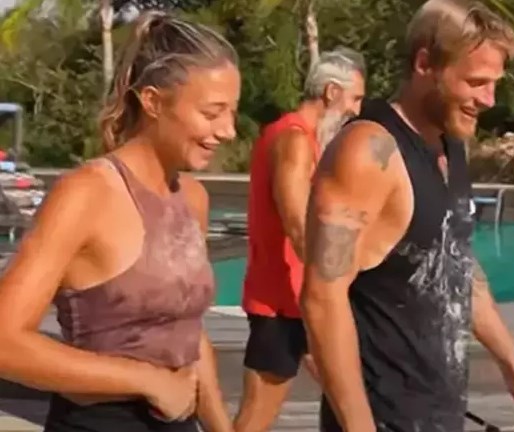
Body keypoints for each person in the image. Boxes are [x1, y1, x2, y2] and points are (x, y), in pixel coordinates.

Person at [301, 1, 514, 432]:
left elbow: (455, 263)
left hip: (438, 414)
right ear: (424, 64)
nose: (488, 99)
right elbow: (322, 299)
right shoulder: (369, 151)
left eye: (494, 84)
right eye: (475, 82)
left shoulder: (449, 145)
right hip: (383, 417)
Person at [0, 11, 239, 432]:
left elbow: (186, 332)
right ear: (153, 102)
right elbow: (5, 342)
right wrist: (147, 381)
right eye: (212, 112)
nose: (229, 131)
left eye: (232, 112)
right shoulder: (86, 194)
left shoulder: (192, 198)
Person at [234, 47, 366, 432]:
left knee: (355, 398)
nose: (356, 110)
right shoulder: (293, 139)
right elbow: (296, 223)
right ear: (331, 92)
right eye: (354, 98)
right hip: (282, 303)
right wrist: (333, 284)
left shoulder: (307, 139)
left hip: (301, 299)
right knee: (254, 420)